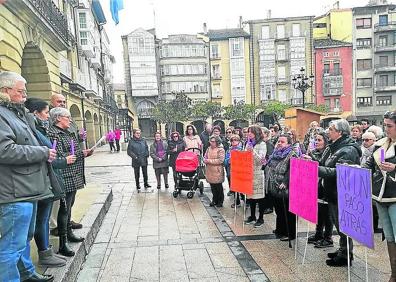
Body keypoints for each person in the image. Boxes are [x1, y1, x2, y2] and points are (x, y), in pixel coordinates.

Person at [0, 71, 55, 282]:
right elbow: (5, 150)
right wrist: (42, 152)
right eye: (21, 91)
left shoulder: (16, 113)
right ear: (5, 91)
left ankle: (26, 274)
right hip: (14, 192)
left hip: (27, 188)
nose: (25, 95)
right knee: (10, 246)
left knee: (22, 240)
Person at [24, 98, 69, 267]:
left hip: (46, 180)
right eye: (45, 112)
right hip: (38, 181)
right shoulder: (32, 130)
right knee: (37, 221)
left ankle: (45, 252)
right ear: (35, 113)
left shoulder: (39, 129)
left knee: (42, 219)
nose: (47, 116)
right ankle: (41, 255)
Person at [318, 119, 361, 267]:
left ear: (340, 132)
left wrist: (315, 169)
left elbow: (340, 172)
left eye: (331, 129)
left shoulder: (348, 150)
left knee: (344, 225)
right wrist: (312, 160)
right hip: (332, 191)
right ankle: (343, 249)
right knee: (339, 223)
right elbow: (325, 163)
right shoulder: (334, 146)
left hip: (341, 192)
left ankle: (346, 255)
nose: (328, 131)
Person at [47, 107, 89, 246]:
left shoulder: (68, 132)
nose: (70, 120)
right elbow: (59, 156)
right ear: (58, 118)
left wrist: (83, 152)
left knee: (70, 206)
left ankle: (69, 232)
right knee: (64, 209)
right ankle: (63, 241)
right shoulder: (54, 134)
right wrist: (79, 154)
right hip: (64, 176)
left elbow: (74, 151)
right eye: (67, 117)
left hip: (73, 174)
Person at [363, 110, 396, 282]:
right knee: (389, 237)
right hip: (380, 197)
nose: (386, 129)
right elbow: (368, 166)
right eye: (385, 125)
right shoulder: (381, 144)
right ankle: (394, 273)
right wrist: (352, 169)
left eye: (390, 126)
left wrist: (395, 169)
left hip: (395, 198)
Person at [305, 131, 334, 248]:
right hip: (316, 185)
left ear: (326, 142)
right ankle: (318, 233)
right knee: (319, 211)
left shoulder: (329, 154)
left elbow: (324, 167)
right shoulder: (313, 152)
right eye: (316, 140)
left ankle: (328, 237)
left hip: (326, 185)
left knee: (327, 212)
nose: (317, 142)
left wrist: (312, 161)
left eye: (319, 140)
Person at [267, 134, 298, 243]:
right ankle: (280, 229)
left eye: (282, 142)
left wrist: (285, 182)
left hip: (286, 187)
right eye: (278, 141)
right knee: (279, 209)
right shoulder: (275, 153)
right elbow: (270, 166)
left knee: (287, 211)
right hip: (275, 184)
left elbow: (293, 170)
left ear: (289, 144)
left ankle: (290, 233)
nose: (279, 143)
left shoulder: (292, 154)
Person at [244, 126, 267, 228]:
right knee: (250, 196)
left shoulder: (262, 144)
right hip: (248, 172)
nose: (248, 133)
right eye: (248, 132)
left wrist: (252, 151)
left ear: (256, 133)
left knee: (259, 197)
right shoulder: (248, 144)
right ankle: (252, 216)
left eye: (251, 132)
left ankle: (260, 218)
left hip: (257, 173)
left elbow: (260, 160)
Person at [204, 135, 226, 208]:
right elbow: (205, 156)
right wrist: (204, 160)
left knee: (218, 187)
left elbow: (220, 160)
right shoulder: (208, 148)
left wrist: (209, 161)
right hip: (210, 170)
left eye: (213, 141)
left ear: (217, 142)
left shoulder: (221, 149)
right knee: (212, 187)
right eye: (210, 141)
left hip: (217, 170)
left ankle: (220, 201)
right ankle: (214, 200)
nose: (211, 143)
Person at [224, 134, 243, 207]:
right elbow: (225, 161)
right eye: (232, 140)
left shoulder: (241, 149)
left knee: (241, 186)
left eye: (235, 140)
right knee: (234, 186)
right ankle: (237, 201)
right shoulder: (229, 150)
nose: (234, 142)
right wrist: (228, 161)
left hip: (239, 170)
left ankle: (245, 200)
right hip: (231, 169)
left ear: (238, 141)